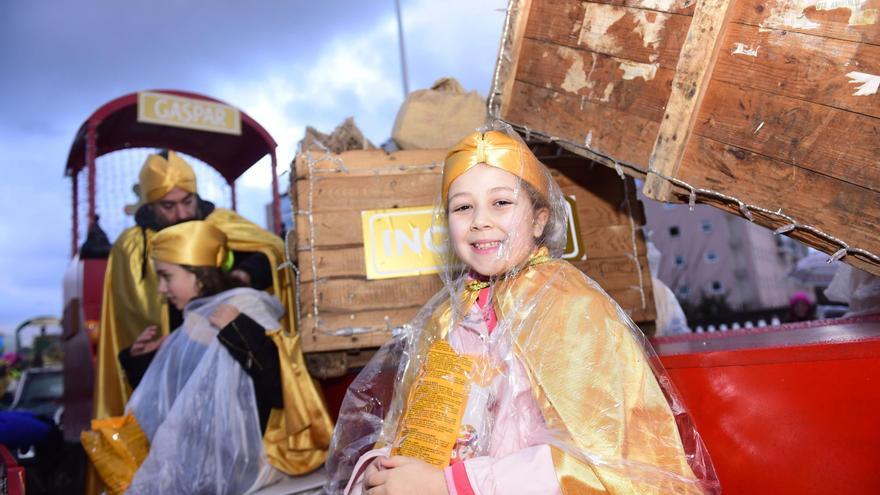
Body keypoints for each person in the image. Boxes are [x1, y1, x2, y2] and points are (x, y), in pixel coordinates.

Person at [326, 127, 718, 494]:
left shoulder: (571, 308)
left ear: (539, 219)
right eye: (462, 207)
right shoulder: (451, 317)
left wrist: (451, 484)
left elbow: (599, 463)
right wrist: (386, 467)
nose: (481, 221)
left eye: (501, 203)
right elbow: (418, 428)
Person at [83, 221, 332, 494]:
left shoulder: (245, 306)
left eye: (167, 276)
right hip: (209, 467)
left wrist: (239, 330)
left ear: (198, 273)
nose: (161, 290)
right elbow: (178, 400)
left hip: (255, 467)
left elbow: (280, 387)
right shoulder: (194, 321)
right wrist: (142, 360)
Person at [95, 150, 286, 421]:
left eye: (187, 201)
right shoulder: (132, 246)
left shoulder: (222, 224)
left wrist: (244, 274)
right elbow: (131, 323)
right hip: (182, 395)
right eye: (168, 206)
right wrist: (141, 358)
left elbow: (273, 251)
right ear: (150, 205)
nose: (182, 214)